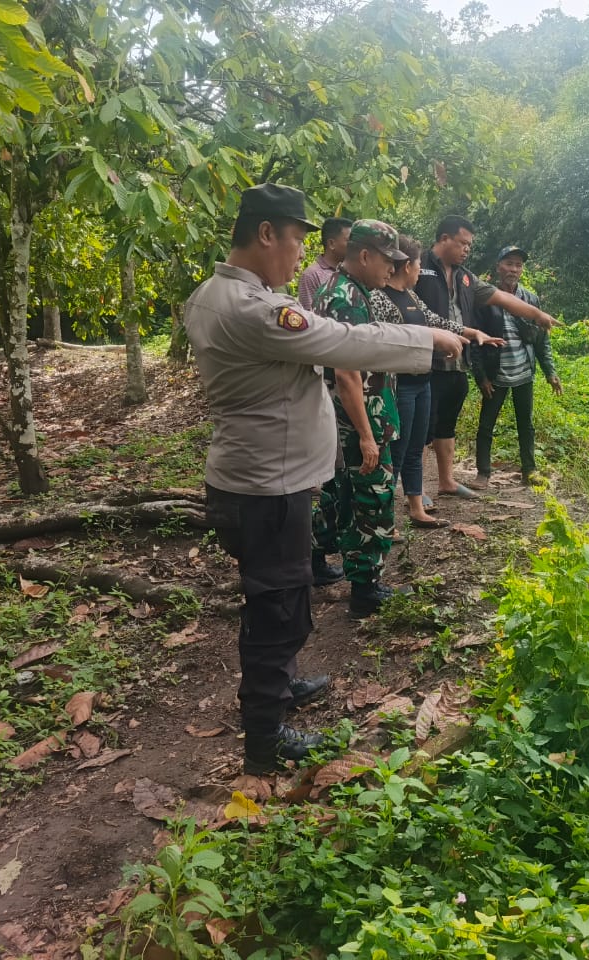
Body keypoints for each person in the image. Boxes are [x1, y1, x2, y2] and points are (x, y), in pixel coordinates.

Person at [183, 185, 464, 774]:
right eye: (296, 240)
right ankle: (265, 741)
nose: (302, 256)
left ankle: (279, 688)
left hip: (256, 479)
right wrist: (427, 338)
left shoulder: (214, 295)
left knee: (277, 598)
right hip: (266, 488)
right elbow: (344, 341)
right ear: (267, 234)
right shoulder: (254, 309)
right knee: (278, 609)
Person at [313, 220, 428, 619]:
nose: (392, 268)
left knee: (339, 494)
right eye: (387, 260)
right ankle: (366, 588)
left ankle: (316, 561)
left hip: (351, 418)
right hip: (360, 420)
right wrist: (365, 434)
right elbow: (347, 372)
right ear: (364, 256)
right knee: (373, 499)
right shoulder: (347, 297)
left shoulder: (345, 289)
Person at [413, 215, 561, 499]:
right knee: (421, 429)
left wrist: (537, 314)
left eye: (469, 245)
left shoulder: (466, 277)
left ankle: (446, 481)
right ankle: (415, 490)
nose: (467, 249)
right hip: (426, 363)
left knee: (447, 426)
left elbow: (503, 299)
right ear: (444, 239)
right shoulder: (418, 267)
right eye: (462, 243)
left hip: (458, 363)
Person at [369, 234, 505, 527]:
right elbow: (386, 339)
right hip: (399, 386)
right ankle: (385, 518)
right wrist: (433, 339)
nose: (420, 271)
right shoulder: (380, 297)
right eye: (418, 265)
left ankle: (416, 508)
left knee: (416, 447)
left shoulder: (411, 296)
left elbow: (436, 321)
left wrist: (471, 333)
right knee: (397, 452)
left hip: (422, 382)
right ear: (407, 266)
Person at [470, 245, 561, 488]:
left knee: (526, 424)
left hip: (523, 372)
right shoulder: (485, 298)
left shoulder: (530, 299)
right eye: (509, 263)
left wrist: (550, 372)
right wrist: (481, 377)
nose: (513, 269)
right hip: (495, 374)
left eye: (518, 265)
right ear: (498, 266)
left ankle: (529, 471)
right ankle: (483, 473)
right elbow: (475, 341)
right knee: (486, 424)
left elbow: (541, 340)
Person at [299, 216, 353, 586]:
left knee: (340, 474)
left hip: (347, 379)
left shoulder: (350, 277)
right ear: (332, 242)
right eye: (348, 238)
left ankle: (330, 546)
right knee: (327, 477)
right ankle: (316, 555)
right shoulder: (312, 276)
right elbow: (309, 328)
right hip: (328, 381)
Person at [296, 217, 352, 310]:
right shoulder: (312, 275)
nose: (353, 245)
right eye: (349, 241)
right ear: (331, 244)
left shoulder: (351, 272)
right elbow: (308, 314)